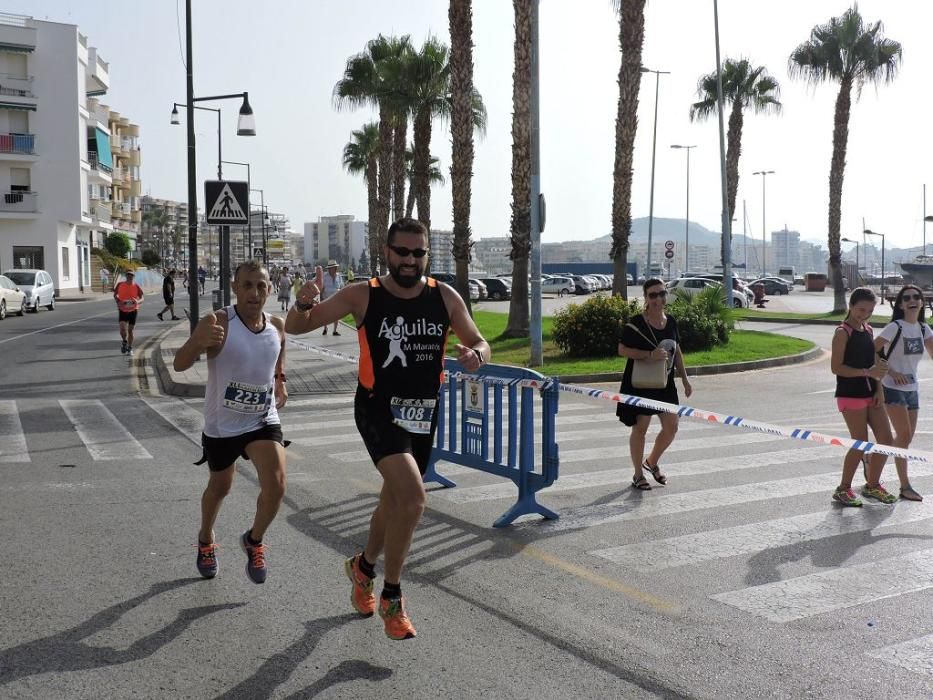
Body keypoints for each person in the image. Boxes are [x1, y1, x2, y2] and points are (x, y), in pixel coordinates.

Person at [285, 217, 489, 640]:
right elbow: (297, 326)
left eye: (419, 253)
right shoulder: (363, 294)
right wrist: (303, 302)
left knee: (394, 501)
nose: (411, 260)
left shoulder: (445, 297)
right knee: (413, 499)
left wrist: (477, 356)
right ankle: (392, 597)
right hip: (378, 409)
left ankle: (362, 568)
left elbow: (480, 340)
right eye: (403, 252)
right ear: (387, 250)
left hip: (424, 413)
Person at [173, 260, 288, 584]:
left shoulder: (276, 326)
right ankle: (206, 538)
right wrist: (197, 341)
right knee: (221, 486)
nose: (254, 292)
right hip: (222, 426)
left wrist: (280, 379)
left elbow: (279, 348)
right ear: (235, 288)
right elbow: (181, 364)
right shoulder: (220, 322)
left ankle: (253, 540)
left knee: (277, 485)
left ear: (270, 289)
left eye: (261, 286)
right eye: (247, 285)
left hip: (262, 419)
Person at [616, 278, 692, 490]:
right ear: (646, 298)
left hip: (665, 383)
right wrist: (649, 354)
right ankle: (638, 474)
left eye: (661, 293)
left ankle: (651, 462)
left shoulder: (672, 322)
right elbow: (622, 350)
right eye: (653, 295)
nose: (658, 299)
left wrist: (685, 379)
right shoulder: (637, 322)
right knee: (641, 428)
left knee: (672, 427)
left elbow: (676, 351)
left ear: (666, 294)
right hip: (641, 382)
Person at [830, 287, 896, 506]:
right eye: (860, 309)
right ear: (851, 306)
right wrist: (867, 373)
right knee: (860, 443)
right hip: (850, 394)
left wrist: (878, 389)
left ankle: (872, 485)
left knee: (886, 440)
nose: (864, 314)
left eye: (869, 310)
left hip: (871, 392)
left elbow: (873, 363)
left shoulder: (867, 329)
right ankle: (843, 489)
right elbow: (837, 367)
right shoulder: (842, 332)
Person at [874, 284, 933, 501]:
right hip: (892, 387)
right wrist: (891, 370)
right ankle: (905, 485)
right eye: (907, 297)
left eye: (916, 297)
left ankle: (875, 458)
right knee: (905, 435)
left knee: (905, 438)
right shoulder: (895, 327)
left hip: (912, 389)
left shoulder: (924, 329)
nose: (912, 300)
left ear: (921, 302)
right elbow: (873, 348)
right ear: (900, 304)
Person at [113, 270, 144, 356]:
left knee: (130, 331)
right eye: (128, 275)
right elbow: (115, 295)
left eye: (132, 275)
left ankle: (130, 347)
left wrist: (137, 302)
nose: (130, 277)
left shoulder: (136, 286)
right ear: (126, 276)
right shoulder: (120, 285)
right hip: (123, 309)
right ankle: (124, 341)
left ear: (134, 276)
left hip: (133, 310)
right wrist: (118, 301)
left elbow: (142, 298)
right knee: (122, 329)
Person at [320, 260, 344, 335]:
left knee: (336, 315)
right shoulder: (324, 276)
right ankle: (325, 328)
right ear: (329, 269)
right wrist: (321, 298)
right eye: (333, 267)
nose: (335, 269)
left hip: (336, 299)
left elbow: (342, 287)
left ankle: (334, 330)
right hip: (326, 298)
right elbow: (322, 288)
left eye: (335, 267)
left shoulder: (339, 276)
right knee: (324, 315)